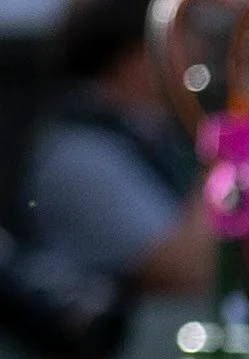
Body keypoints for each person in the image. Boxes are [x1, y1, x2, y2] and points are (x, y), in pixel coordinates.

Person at [28, 0, 217, 298]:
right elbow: (188, 269)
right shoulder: (78, 157)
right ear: (136, 56)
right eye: (182, 38)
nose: (200, 55)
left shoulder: (153, 137)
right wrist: (230, 148)